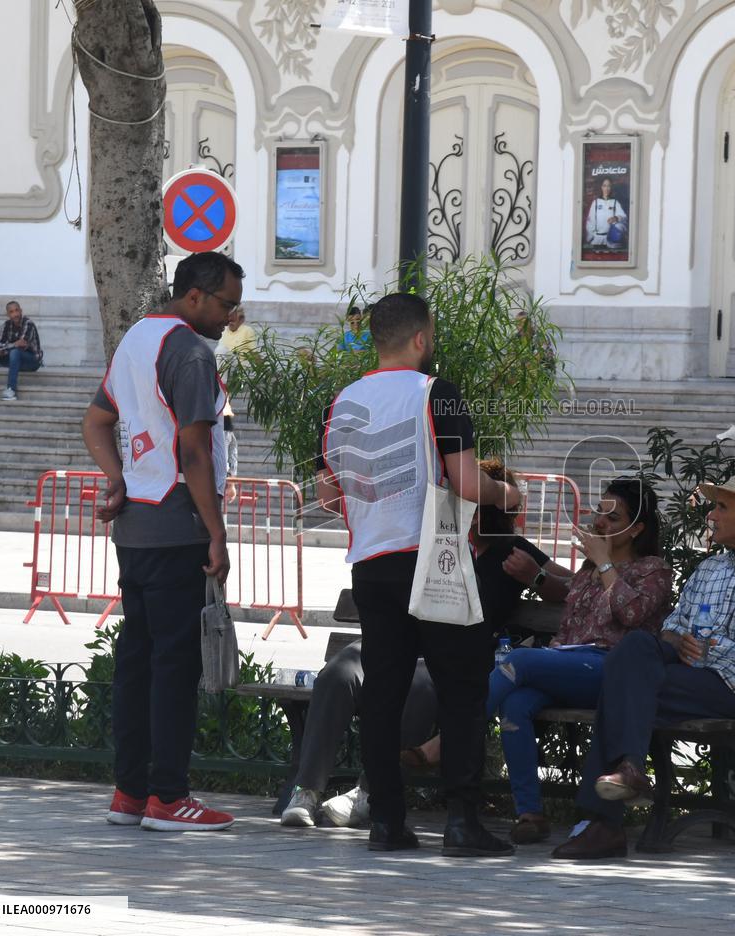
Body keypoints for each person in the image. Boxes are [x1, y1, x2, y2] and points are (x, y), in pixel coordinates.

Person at [317, 292, 521, 856]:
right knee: (462, 690)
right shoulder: (438, 394)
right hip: (433, 560)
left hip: (371, 565)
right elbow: (466, 485)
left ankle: (386, 822)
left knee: (382, 693)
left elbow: (328, 494)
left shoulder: (340, 402)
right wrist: (510, 491)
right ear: (422, 339)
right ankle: (461, 822)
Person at [281, 460, 566, 830]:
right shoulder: (431, 540)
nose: (462, 506)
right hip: (397, 643)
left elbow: (571, 586)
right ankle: (306, 791)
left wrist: (536, 575)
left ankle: (371, 793)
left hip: (451, 658)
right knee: (338, 672)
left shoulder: (511, 551)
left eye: (473, 501)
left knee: (414, 684)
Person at [551, 468, 735, 860]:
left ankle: (602, 822)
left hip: (733, 688)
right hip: (685, 675)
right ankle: (628, 770)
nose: (712, 515)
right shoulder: (709, 569)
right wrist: (679, 642)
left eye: (723, 508)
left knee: (620, 686)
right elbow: (670, 631)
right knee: (637, 647)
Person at [81, 251, 244, 832]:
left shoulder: (136, 340)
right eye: (226, 304)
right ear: (194, 295)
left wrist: (119, 478)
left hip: (136, 530)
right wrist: (217, 530)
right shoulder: (189, 350)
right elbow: (195, 449)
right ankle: (169, 798)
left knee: (138, 659)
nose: (231, 316)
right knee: (175, 665)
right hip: (180, 526)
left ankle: (129, 793)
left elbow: (96, 421)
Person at [486, 480, 672, 845]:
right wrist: (541, 575)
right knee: (515, 702)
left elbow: (631, 613)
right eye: (599, 511)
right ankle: (530, 813)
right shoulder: (588, 572)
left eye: (611, 515)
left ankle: (450, 740)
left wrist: (604, 562)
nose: (599, 520)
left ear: (636, 530)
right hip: (567, 664)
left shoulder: (653, 571)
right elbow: (563, 590)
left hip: (610, 671)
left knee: (519, 661)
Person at [584, 177, 628, 249]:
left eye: (609, 186)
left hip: (611, 241)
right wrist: (591, 238)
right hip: (597, 240)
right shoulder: (596, 202)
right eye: (604, 186)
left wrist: (616, 218)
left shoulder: (615, 202)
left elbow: (624, 217)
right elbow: (590, 221)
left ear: (611, 187)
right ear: (601, 187)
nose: (607, 188)